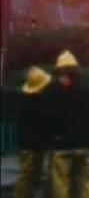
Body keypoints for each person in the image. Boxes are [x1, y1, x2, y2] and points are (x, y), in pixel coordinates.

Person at [48, 50, 89, 198]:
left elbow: (47, 118)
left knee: (61, 184)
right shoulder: (88, 93)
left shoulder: (53, 93)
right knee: (85, 184)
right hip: (83, 146)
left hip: (62, 146)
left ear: (59, 71)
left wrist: (52, 137)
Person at [15, 66, 52, 198]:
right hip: (31, 145)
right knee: (27, 174)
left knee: (33, 174)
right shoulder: (31, 102)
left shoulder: (32, 100)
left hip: (34, 143)